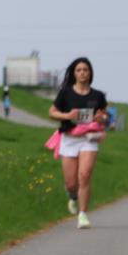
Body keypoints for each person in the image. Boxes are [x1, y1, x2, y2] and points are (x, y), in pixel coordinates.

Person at [48, 57, 108, 229]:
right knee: (71, 183)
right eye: (79, 70)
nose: (82, 73)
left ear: (90, 73)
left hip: (89, 139)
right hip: (69, 139)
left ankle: (83, 215)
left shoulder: (98, 96)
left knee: (85, 175)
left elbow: (104, 116)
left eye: (85, 70)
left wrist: (101, 117)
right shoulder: (65, 93)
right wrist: (68, 116)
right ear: (74, 73)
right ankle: (73, 196)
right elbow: (52, 112)